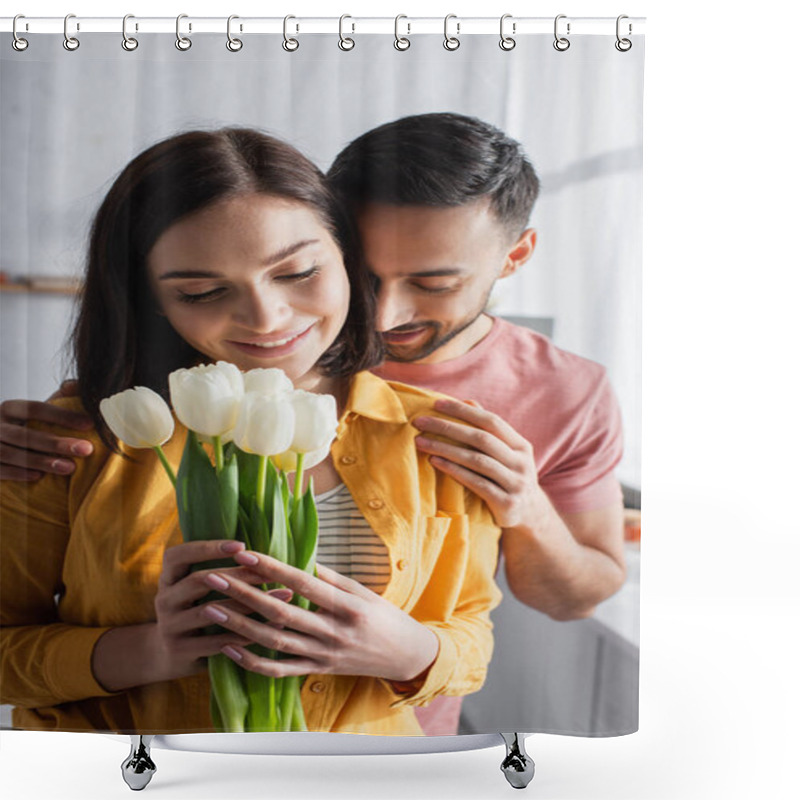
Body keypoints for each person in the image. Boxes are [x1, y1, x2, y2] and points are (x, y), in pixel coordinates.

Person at [1, 113, 627, 734]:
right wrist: (149, 652)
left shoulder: (450, 430)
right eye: (199, 292)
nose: (268, 320)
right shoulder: (74, 438)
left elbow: (484, 626)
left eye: (299, 274)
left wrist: (415, 649)